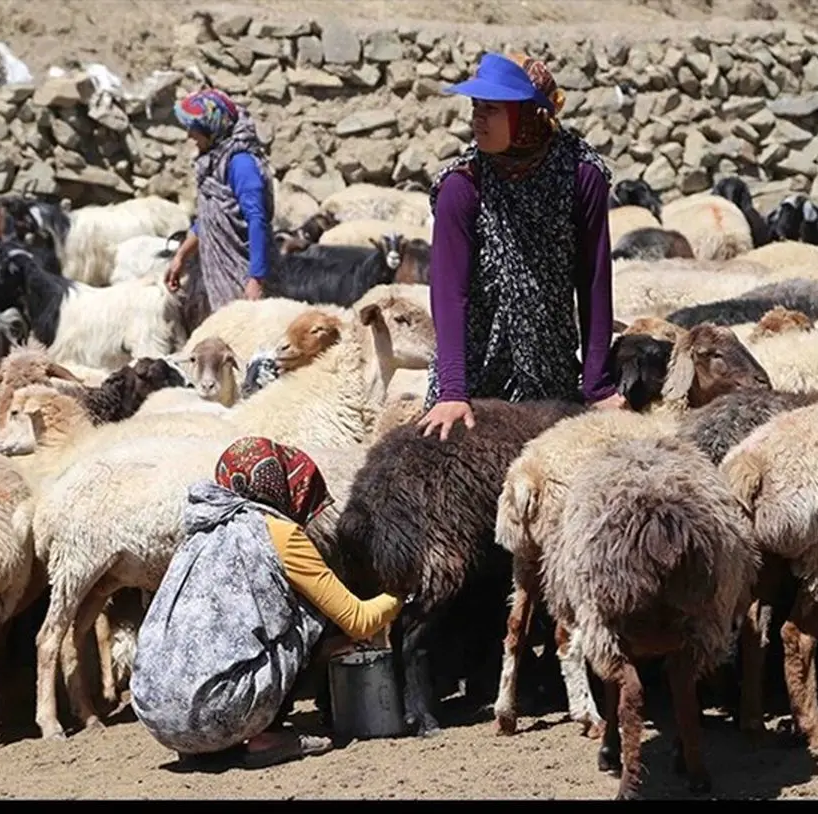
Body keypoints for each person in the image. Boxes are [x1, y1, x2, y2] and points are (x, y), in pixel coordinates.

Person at [130, 436, 407, 769]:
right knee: (311, 616)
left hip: (159, 719)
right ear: (283, 484)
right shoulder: (279, 534)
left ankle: (207, 742)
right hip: (217, 715)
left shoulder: (201, 532)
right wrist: (404, 592)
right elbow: (358, 620)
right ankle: (267, 736)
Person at [417, 52, 627, 442]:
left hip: (553, 373)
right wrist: (452, 391)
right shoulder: (462, 187)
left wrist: (597, 385)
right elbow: (449, 294)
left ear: (528, 114)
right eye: (475, 106)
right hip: (475, 377)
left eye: (491, 108)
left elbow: (594, 280)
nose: (477, 118)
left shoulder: (581, 176)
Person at [164, 89, 278, 310]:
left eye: (194, 129)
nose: (189, 135)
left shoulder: (241, 164)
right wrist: (181, 256)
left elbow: (256, 219)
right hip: (223, 277)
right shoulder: (214, 162)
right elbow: (209, 220)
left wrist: (256, 279)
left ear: (211, 128)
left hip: (244, 275)